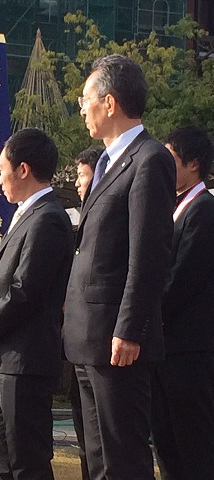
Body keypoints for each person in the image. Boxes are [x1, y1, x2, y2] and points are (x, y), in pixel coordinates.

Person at [63, 54, 175, 480]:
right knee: (97, 459)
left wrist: (130, 328)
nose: (82, 109)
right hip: (88, 335)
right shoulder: (106, 162)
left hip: (117, 339)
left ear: (109, 103)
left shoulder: (149, 159)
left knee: (122, 458)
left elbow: (148, 253)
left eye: (85, 100)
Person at [0, 128, 74, 479]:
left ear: (23, 169)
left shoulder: (48, 218)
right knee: (4, 461)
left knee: (26, 462)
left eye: (1, 169)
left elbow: (24, 291)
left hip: (26, 361)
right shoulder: (26, 214)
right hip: (4, 358)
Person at [150, 125, 214, 480]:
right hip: (166, 347)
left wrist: (143, 314)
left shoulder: (203, 210)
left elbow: (182, 278)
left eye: (170, 158)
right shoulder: (174, 208)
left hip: (189, 350)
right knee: (166, 441)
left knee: (193, 443)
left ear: (193, 163)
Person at [68, 147, 101, 480]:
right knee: (86, 440)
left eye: (82, 175)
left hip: (101, 341)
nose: (78, 182)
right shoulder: (80, 219)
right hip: (76, 341)